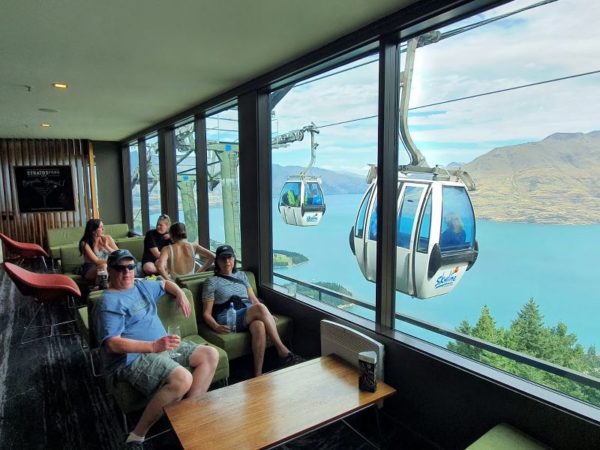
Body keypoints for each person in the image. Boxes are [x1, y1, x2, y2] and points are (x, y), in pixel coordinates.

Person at [93, 249, 218, 449]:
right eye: (120, 268)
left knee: (210, 354)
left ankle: (187, 418)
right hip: (132, 358)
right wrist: (153, 346)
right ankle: (137, 435)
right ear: (110, 269)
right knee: (183, 378)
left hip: (163, 346)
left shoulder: (140, 285)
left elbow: (164, 283)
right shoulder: (108, 302)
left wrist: (179, 293)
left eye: (130, 267)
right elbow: (112, 344)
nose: (126, 272)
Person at [202, 244, 302, 377]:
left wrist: (267, 315)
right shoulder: (211, 281)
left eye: (229, 257)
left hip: (247, 311)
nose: (227, 261)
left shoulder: (242, 276)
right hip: (228, 316)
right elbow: (206, 313)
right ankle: (282, 350)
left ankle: (258, 374)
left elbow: (254, 300)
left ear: (234, 259)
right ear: (217, 261)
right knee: (259, 308)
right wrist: (215, 326)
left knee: (260, 325)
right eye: (222, 258)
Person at [79, 218, 118, 283]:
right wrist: (113, 262)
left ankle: (98, 287)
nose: (103, 229)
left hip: (109, 266)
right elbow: (96, 261)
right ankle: (101, 288)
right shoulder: (84, 243)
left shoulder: (108, 238)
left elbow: (118, 253)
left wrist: (106, 246)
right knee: (103, 266)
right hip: (90, 268)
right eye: (101, 227)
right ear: (93, 230)